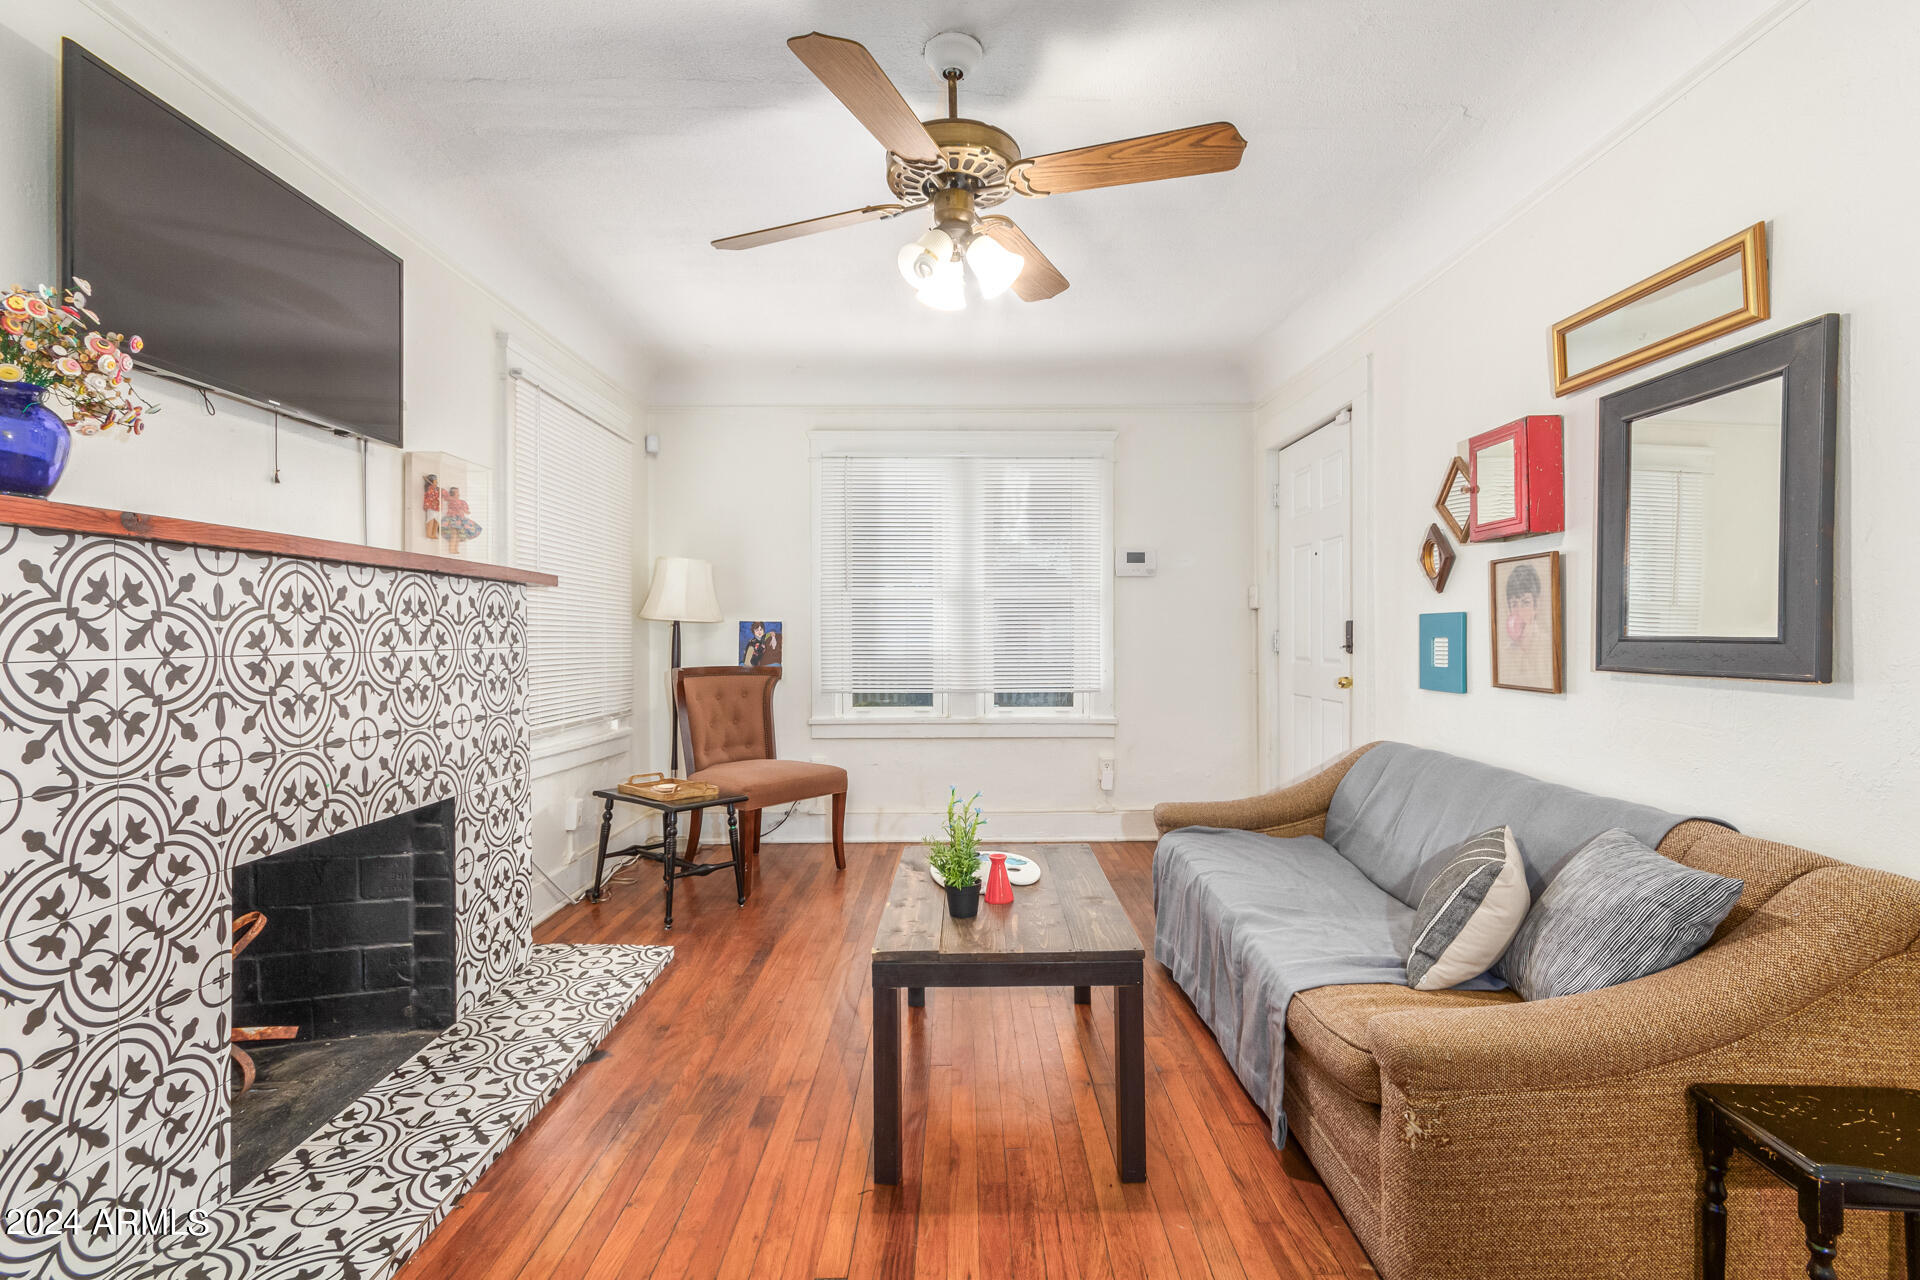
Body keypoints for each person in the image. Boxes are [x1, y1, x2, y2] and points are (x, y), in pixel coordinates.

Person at [1497, 560, 1554, 689]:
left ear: (1536, 606)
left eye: (1525, 603)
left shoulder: (1548, 647)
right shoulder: (1505, 654)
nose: (1519, 613)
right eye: (1514, 604)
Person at [439, 485, 482, 556]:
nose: (458, 494)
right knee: (454, 534)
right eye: (457, 492)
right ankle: (452, 549)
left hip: (460, 520)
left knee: (458, 535)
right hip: (453, 519)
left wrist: (466, 511)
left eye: (458, 492)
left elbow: (465, 510)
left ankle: (455, 549)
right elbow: (444, 494)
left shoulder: (461, 501)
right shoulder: (451, 499)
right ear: (452, 494)